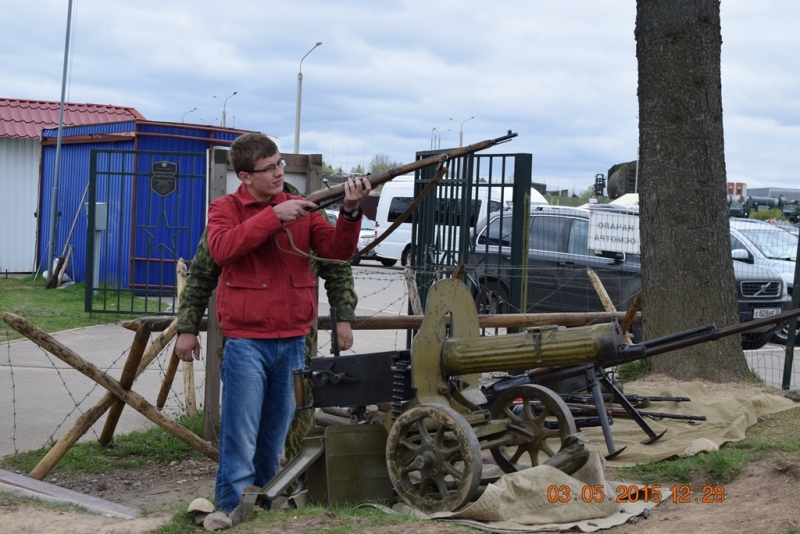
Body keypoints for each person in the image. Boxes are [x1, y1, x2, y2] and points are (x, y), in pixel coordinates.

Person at [179, 132, 370, 512]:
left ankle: (265, 502)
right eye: (269, 168)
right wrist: (272, 217)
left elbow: (336, 254)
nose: (279, 172)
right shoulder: (224, 209)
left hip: (294, 338)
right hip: (247, 340)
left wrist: (350, 211)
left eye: (280, 163)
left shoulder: (302, 206)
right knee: (240, 436)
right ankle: (231, 508)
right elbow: (220, 250)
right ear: (245, 176)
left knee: (274, 436)